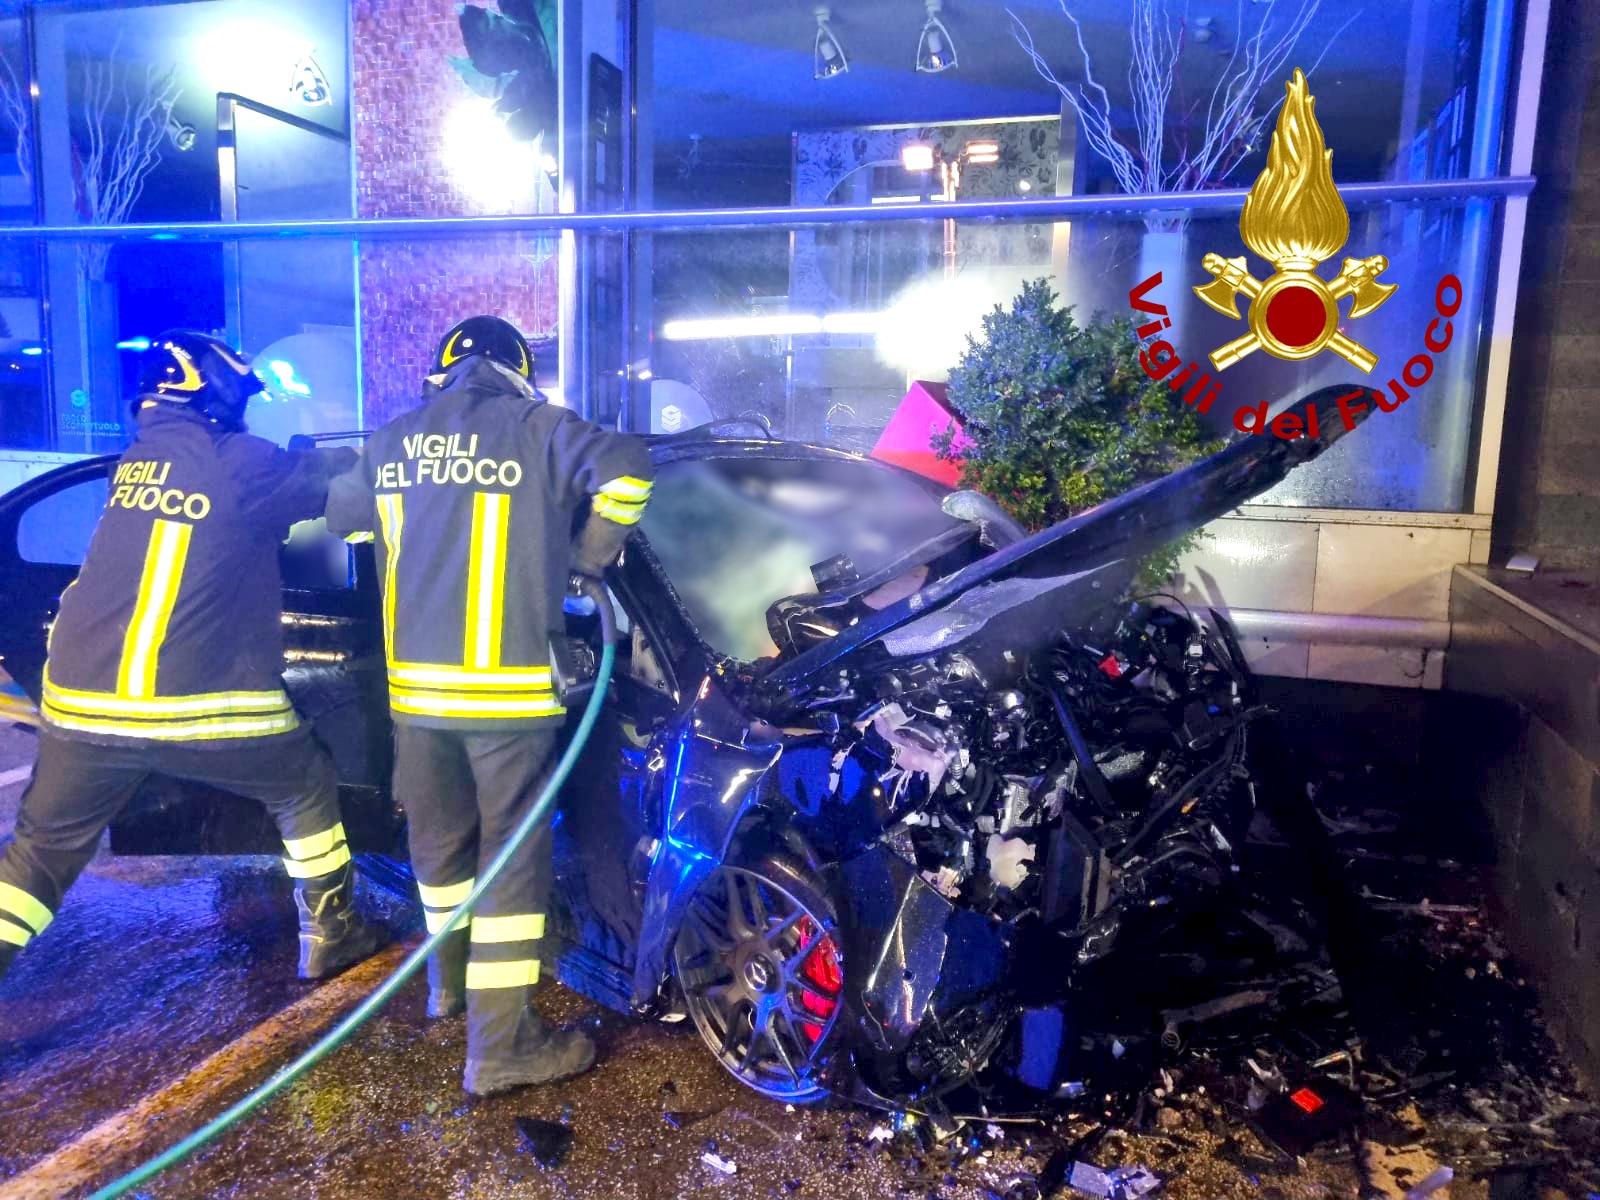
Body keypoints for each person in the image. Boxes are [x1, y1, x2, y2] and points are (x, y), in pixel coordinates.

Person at [325, 315, 652, 1096]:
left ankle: (448, 987)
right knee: (511, 865)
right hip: (507, 698)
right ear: (518, 372)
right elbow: (630, 469)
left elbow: (342, 519)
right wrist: (585, 557)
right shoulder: (540, 427)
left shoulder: (394, 438)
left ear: (443, 373)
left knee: (439, 850)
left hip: (417, 699)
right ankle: (502, 1049)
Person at [0, 332, 381, 983]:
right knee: (304, 782)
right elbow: (344, 485)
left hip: (81, 704)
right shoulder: (240, 461)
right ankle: (332, 931)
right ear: (217, 394)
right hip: (201, 705)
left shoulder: (134, 463)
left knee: (39, 855)